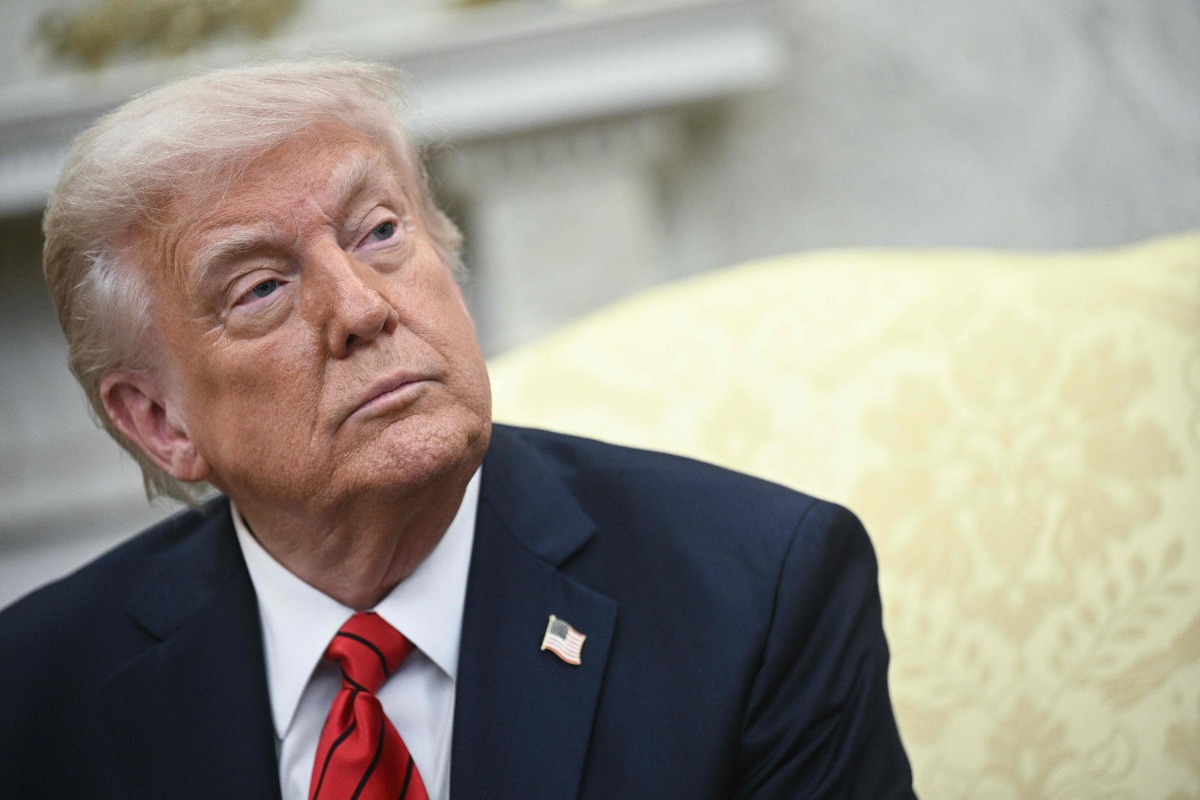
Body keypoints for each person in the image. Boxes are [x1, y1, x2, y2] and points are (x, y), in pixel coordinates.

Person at [0, 60, 914, 799]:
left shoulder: (758, 594)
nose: (362, 309)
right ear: (158, 420)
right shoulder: (33, 694)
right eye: (262, 287)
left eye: (378, 232)